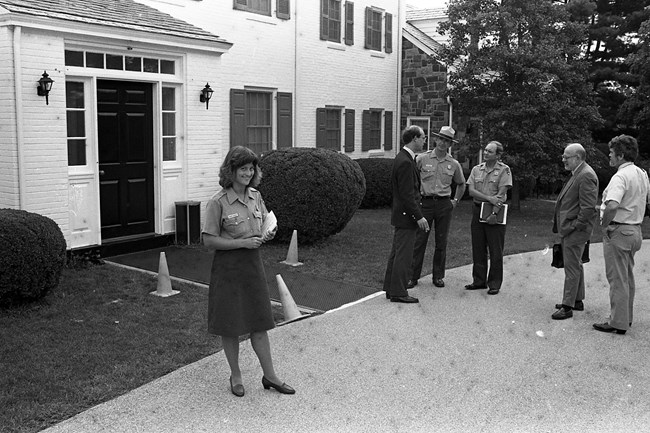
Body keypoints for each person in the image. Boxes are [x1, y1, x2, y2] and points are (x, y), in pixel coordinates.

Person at [202, 146, 295, 397]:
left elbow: (263, 221)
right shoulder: (217, 202)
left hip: (252, 267)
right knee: (230, 325)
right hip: (228, 269)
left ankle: (270, 376)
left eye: (250, 168)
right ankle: (236, 375)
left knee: (259, 322)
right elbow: (208, 241)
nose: (247, 172)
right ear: (230, 171)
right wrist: (241, 243)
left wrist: (268, 231)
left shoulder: (256, 196)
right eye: (242, 168)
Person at [594, 135, 650, 335]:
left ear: (620, 155)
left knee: (617, 279)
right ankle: (627, 317)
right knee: (627, 277)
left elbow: (612, 204)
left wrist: (605, 225)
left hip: (619, 230)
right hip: (635, 230)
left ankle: (617, 322)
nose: (609, 156)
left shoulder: (620, 176)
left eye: (611, 153)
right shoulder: (642, 173)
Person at [409, 126, 466, 289]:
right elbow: (412, 180)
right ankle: (412, 276)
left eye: (446, 140)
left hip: (443, 205)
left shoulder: (453, 164)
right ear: (436, 139)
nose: (442, 143)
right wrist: (415, 199)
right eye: (441, 139)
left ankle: (438, 276)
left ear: (450, 144)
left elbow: (461, 184)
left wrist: (455, 201)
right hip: (425, 204)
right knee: (419, 241)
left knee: (441, 241)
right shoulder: (422, 159)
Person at [551, 143, 599, 320]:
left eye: (566, 156)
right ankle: (577, 300)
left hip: (575, 230)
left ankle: (567, 306)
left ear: (577, 158)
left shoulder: (586, 175)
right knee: (576, 264)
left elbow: (588, 209)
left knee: (571, 267)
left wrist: (573, 226)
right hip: (571, 229)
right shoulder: (579, 173)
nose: (563, 159)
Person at [383, 125, 430, 303]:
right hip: (406, 217)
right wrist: (418, 216)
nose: (424, 140)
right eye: (423, 137)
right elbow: (407, 195)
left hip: (402, 216)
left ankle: (391, 288)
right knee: (404, 256)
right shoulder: (405, 161)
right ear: (414, 138)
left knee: (397, 253)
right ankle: (399, 292)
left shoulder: (404, 158)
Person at [465, 141, 512, 295]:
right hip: (478, 210)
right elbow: (471, 191)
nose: (485, 153)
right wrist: (488, 198)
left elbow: (501, 194)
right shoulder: (476, 169)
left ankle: (494, 283)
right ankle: (479, 281)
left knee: (495, 249)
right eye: (485, 150)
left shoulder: (504, 170)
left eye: (489, 151)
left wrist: (494, 212)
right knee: (478, 247)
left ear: (498, 155)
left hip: (495, 212)